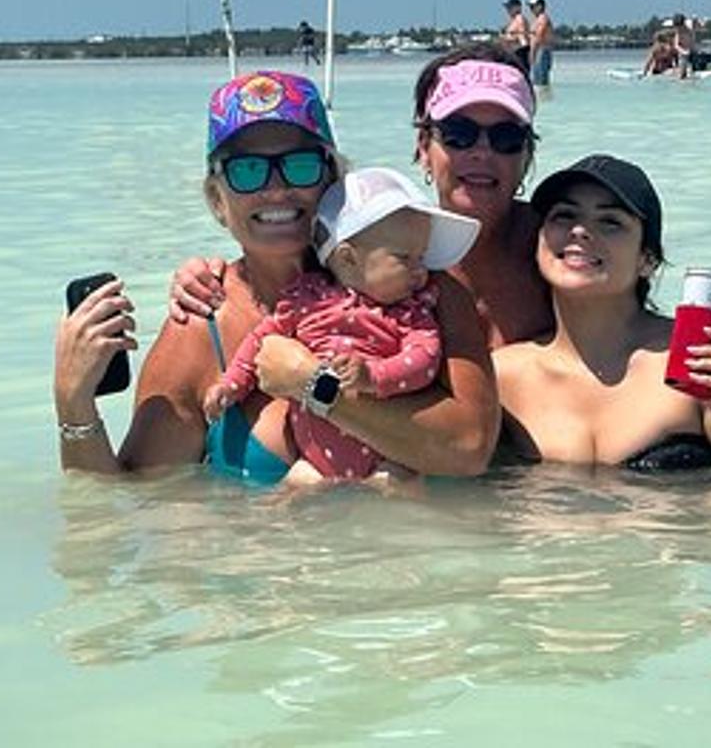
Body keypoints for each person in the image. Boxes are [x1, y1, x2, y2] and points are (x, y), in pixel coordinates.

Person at [55, 70, 499, 481]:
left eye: (300, 165)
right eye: (247, 170)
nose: (276, 188)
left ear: (335, 179)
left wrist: (311, 384)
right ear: (217, 201)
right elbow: (123, 508)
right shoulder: (200, 328)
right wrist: (73, 401)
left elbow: (470, 449)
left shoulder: (423, 289)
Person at [174, 46, 554, 351]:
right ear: (423, 146)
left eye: (506, 137)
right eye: (458, 134)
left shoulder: (561, 251)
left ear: (528, 154)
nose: (482, 152)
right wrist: (201, 276)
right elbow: (272, 261)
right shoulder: (366, 251)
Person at [495, 155, 711, 473]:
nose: (580, 230)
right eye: (564, 216)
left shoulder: (696, 358)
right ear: (539, 242)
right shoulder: (503, 376)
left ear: (648, 260)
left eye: (610, 222)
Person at [205, 166, 480, 485]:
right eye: (407, 259)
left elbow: (425, 358)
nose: (422, 272)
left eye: (423, 257)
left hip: (385, 458)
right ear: (348, 259)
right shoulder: (307, 300)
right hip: (313, 462)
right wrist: (232, 384)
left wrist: (374, 377)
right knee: (283, 509)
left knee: (398, 486)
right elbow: (260, 340)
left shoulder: (410, 312)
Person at [527, 0, 555, 94]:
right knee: (538, 82)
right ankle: (544, 102)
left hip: (541, 52)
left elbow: (538, 38)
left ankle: (546, 101)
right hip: (540, 52)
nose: (531, 9)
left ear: (540, 6)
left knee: (541, 83)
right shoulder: (538, 20)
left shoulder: (543, 19)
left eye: (532, 7)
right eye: (530, 7)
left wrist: (532, 55)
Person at [500, 0, 531, 75]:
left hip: (519, 53)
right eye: (507, 7)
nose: (507, 10)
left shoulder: (520, 19)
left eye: (510, 7)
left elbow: (522, 37)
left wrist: (508, 38)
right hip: (514, 53)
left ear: (517, 7)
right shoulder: (513, 20)